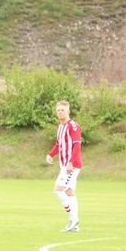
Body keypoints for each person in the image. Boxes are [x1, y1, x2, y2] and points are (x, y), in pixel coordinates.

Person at [47, 99, 83, 233]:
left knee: (58, 190)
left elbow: (77, 145)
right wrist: (50, 154)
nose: (60, 112)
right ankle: (75, 225)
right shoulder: (60, 127)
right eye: (58, 110)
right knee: (69, 192)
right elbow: (59, 144)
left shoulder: (73, 126)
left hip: (71, 165)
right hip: (64, 165)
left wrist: (71, 162)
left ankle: (73, 219)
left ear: (68, 111)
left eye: (62, 110)